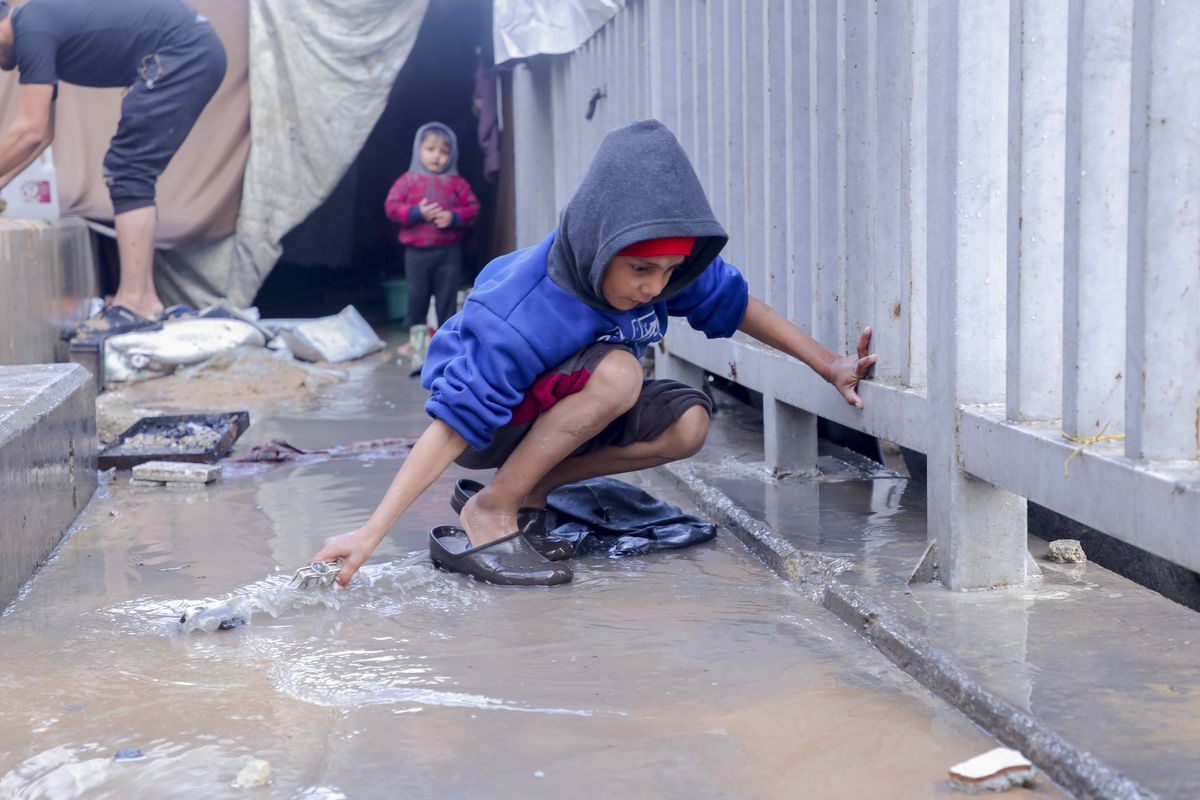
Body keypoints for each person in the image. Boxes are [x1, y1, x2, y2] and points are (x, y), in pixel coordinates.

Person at [315, 120, 875, 587]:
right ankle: (490, 506)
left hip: (573, 405)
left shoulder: (661, 269)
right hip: (495, 426)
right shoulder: (523, 303)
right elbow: (454, 421)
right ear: (598, 243)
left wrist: (828, 365)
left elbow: (739, 304)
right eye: (640, 270)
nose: (656, 288)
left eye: (669, 272)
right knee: (620, 372)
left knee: (688, 424)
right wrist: (371, 532)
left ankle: (527, 489)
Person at [0, 0, 227, 336]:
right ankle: (145, 302)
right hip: (192, 46)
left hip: (184, 47)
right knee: (129, 170)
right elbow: (44, 135)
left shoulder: (32, 27)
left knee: (128, 169)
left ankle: (133, 303)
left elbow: (29, 129)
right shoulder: (36, 29)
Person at [384, 122, 480, 370]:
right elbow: (392, 207)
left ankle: (445, 356)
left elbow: (473, 209)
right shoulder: (407, 181)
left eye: (444, 151)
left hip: (448, 253)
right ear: (419, 150)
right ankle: (419, 356)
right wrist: (416, 212)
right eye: (430, 149)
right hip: (416, 254)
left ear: (452, 155)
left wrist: (454, 218)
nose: (437, 155)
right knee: (417, 300)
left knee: (446, 302)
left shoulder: (457, 183)